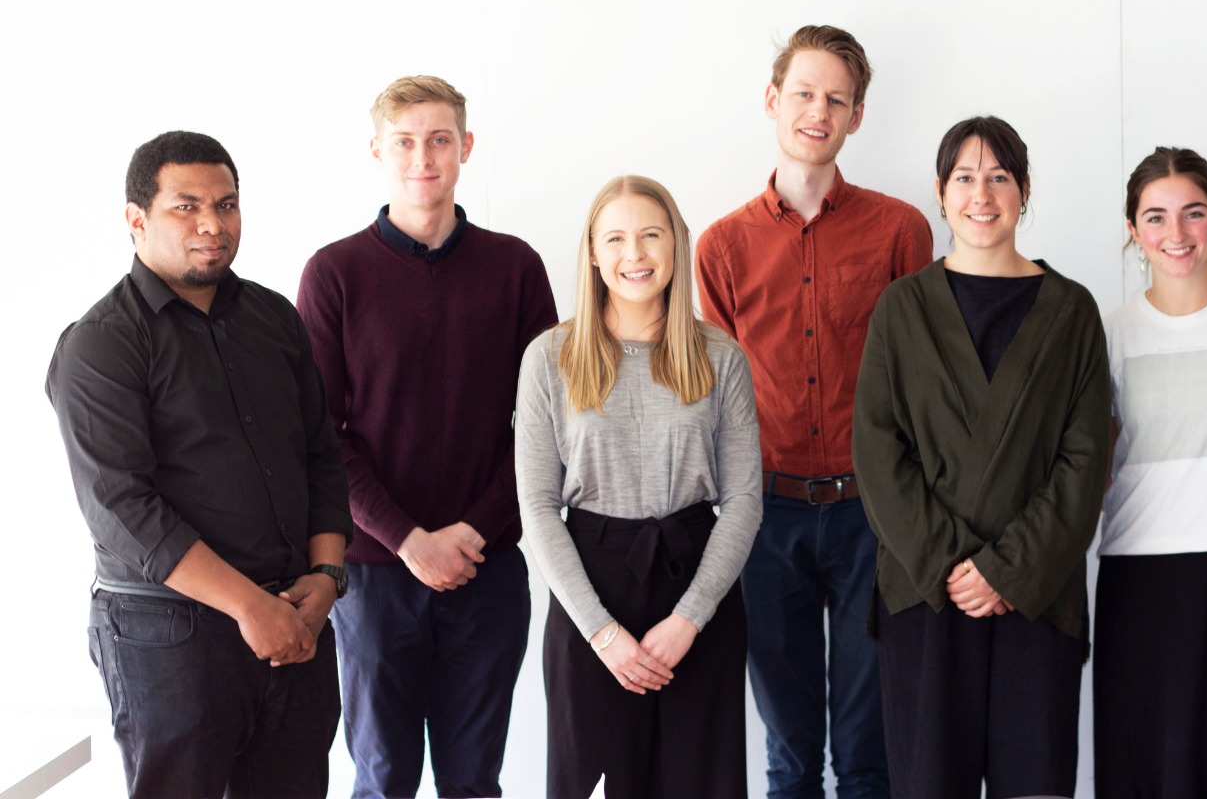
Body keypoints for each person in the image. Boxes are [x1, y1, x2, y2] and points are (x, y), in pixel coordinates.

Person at [47, 131, 353, 799]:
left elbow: (320, 457)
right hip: (168, 633)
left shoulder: (274, 317)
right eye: (186, 206)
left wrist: (327, 579)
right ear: (137, 220)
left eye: (226, 204)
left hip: (296, 616)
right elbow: (123, 508)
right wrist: (251, 608)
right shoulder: (100, 343)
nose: (212, 224)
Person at [296, 75, 556, 798]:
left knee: (474, 782)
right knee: (383, 778)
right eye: (405, 142)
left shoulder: (515, 268)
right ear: (377, 150)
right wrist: (411, 541)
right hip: (376, 573)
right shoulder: (334, 274)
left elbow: (541, 428)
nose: (423, 157)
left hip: (488, 566)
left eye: (439, 140)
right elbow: (322, 437)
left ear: (465, 147)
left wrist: (471, 531)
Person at [696, 24, 930, 798]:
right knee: (790, 754)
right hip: (765, 518)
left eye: (836, 99)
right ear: (772, 100)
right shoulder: (722, 246)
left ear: (857, 116)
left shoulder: (900, 230)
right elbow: (719, 399)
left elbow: (917, 378)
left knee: (871, 752)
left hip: (873, 515)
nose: (817, 111)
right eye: (803, 93)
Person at [852, 115, 1110, 799]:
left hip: (1036, 597)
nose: (982, 194)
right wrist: (951, 565)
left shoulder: (1072, 312)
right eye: (965, 177)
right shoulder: (900, 309)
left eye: (1000, 177)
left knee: (1036, 786)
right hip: (927, 597)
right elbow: (878, 452)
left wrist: (1006, 570)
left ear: (1025, 190)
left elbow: (1084, 461)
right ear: (940, 193)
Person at [517, 175, 763, 799]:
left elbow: (742, 502)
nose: (636, 255)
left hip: (698, 590)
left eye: (651, 236)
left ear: (676, 245)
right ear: (594, 253)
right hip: (590, 591)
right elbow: (538, 507)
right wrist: (602, 633)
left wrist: (690, 618)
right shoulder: (549, 358)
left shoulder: (720, 356)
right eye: (617, 238)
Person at [1093, 146, 1207, 798]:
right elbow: (1090, 459)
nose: (1176, 235)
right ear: (1133, 231)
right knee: (1142, 768)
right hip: (1136, 572)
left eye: (1193, 214)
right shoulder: (1109, 334)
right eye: (1156, 217)